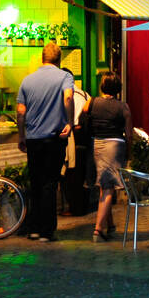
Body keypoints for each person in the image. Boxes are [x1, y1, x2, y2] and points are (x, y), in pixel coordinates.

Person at [16, 42, 75, 242]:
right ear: (59, 60)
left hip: (33, 139)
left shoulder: (27, 80)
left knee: (35, 182)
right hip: (53, 139)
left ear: (42, 58)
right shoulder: (65, 77)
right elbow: (68, 98)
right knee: (50, 182)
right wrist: (69, 122)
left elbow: (20, 112)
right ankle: (46, 231)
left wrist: (21, 135)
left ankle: (33, 228)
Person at [82, 71, 131, 242]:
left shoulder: (92, 102)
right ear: (118, 88)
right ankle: (98, 230)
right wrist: (129, 151)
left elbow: (83, 113)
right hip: (115, 145)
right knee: (108, 186)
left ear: (102, 86)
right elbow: (129, 133)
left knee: (104, 185)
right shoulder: (123, 107)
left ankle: (109, 225)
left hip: (97, 144)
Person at [61, 69, 92, 217]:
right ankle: (83, 206)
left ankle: (74, 208)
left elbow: (69, 121)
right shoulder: (85, 94)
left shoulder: (68, 96)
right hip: (86, 139)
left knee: (71, 174)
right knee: (82, 173)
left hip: (73, 137)